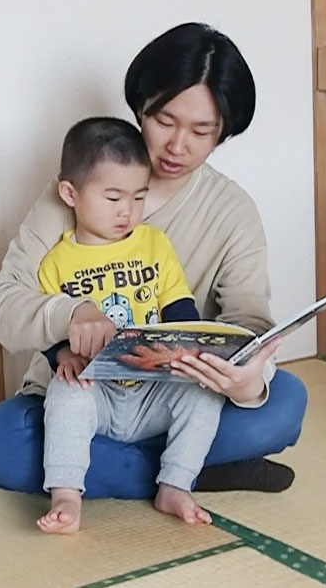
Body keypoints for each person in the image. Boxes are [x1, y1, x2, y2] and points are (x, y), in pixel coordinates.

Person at [0, 22, 308, 499]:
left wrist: (246, 380)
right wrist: (70, 314)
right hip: (81, 397)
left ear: (224, 132)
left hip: (175, 398)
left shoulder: (232, 209)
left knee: (285, 403)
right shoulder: (77, 192)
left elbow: (250, 321)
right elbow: (2, 303)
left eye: (201, 131)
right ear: (140, 107)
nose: (177, 145)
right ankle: (189, 473)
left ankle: (120, 471)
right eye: (164, 121)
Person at [36, 116, 223, 534]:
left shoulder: (155, 244)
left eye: (139, 197)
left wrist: (190, 350)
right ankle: (66, 494)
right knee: (64, 393)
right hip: (97, 392)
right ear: (70, 194)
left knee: (205, 393)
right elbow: (47, 328)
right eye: (113, 197)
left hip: (154, 390)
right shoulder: (56, 262)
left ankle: (175, 484)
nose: (127, 211)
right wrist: (62, 354)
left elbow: (178, 305)